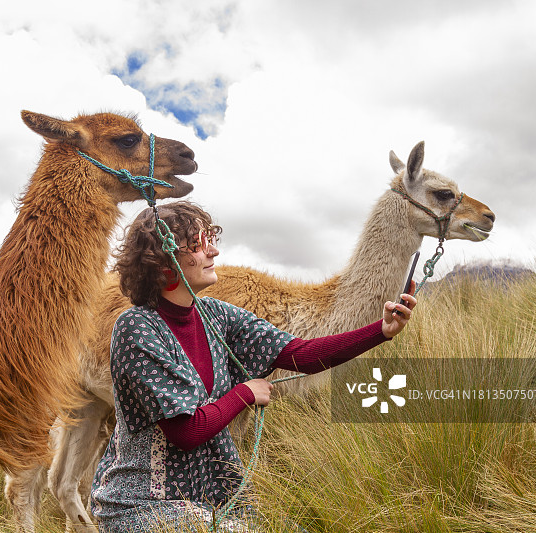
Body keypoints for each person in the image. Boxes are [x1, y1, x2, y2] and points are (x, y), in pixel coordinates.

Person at [90, 201, 416, 532]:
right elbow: (186, 432)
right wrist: (245, 392)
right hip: (145, 506)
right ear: (164, 262)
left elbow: (301, 354)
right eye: (199, 245)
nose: (213, 252)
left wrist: (381, 331)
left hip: (215, 498)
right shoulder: (137, 328)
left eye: (210, 240)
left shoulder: (216, 315)